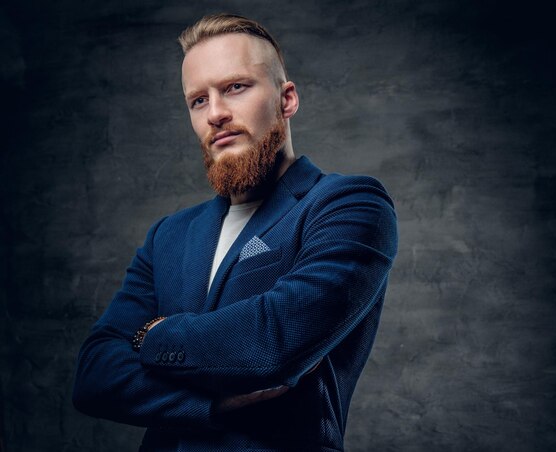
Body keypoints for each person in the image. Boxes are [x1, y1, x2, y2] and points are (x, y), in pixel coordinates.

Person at [73, 13, 398, 451]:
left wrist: (150, 335)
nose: (216, 114)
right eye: (198, 101)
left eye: (235, 88)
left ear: (286, 100)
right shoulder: (168, 236)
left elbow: (273, 341)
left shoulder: (349, 205)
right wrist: (212, 407)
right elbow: (94, 375)